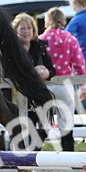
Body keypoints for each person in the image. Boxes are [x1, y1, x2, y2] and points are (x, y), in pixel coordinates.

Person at [39, 8, 86, 152]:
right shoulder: (70, 39)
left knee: (43, 124)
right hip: (64, 85)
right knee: (66, 125)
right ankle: (70, 159)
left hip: (44, 85)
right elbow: (79, 64)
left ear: (47, 20)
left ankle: (32, 157)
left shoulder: (40, 40)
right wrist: (82, 86)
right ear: (63, 21)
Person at [13, 13, 54, 149]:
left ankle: (33, 158)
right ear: (16, 31)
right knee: (23, 131)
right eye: (22, 28)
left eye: (29, 28)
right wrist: (33, 72)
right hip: (19, 95)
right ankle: (20, 160)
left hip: (39, 95)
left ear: (34, 30)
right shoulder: (12, 49)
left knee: (43, 130)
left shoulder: (39, 47)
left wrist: (46, 73)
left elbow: (52, 69)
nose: (26, 32)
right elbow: (10, 71)